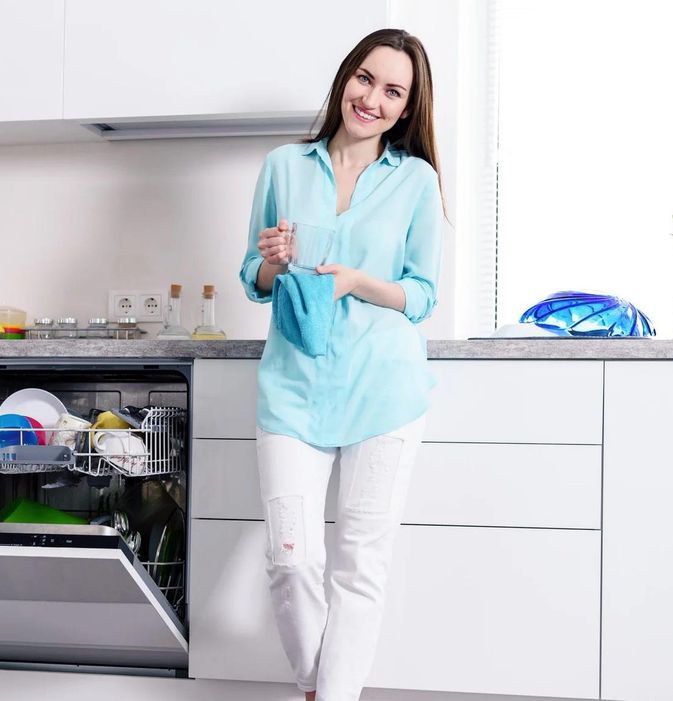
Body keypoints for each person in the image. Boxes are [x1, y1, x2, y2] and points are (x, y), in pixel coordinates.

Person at [238, 28, 444, 701]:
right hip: (294, 388)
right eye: (365, 79)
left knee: (359, 566)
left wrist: (357, 280)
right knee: (290, 559)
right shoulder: (283, 166)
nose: (372, 98)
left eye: (392, 91)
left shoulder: (415, 180)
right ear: (344, 80)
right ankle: (314, 685)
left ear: (408, 109)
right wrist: (272, 258)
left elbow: (421, 293)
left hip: (381, 390)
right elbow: (253, 275)